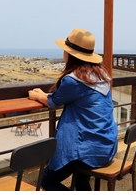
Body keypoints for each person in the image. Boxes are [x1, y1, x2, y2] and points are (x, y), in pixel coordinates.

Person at [28, 28, 118, 191]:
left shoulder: (74, 80)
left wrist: (38, 96)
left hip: (87, 150)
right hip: (106, 146)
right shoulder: (102, 75)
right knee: (81, 181)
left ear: (70, 54)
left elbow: (54, 101)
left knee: (47, 180)